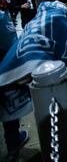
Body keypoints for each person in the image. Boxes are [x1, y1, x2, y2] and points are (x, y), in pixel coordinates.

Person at [0, 0, 67, 142]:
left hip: (48, 63)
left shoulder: (56, 11)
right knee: (57, 104)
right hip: (38, 66)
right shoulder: (58, 17)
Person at [0, 10, 28, 161]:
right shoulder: (2, 16)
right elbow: (11, 45)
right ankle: (13, 147)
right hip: (3, 69)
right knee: (8, 109)